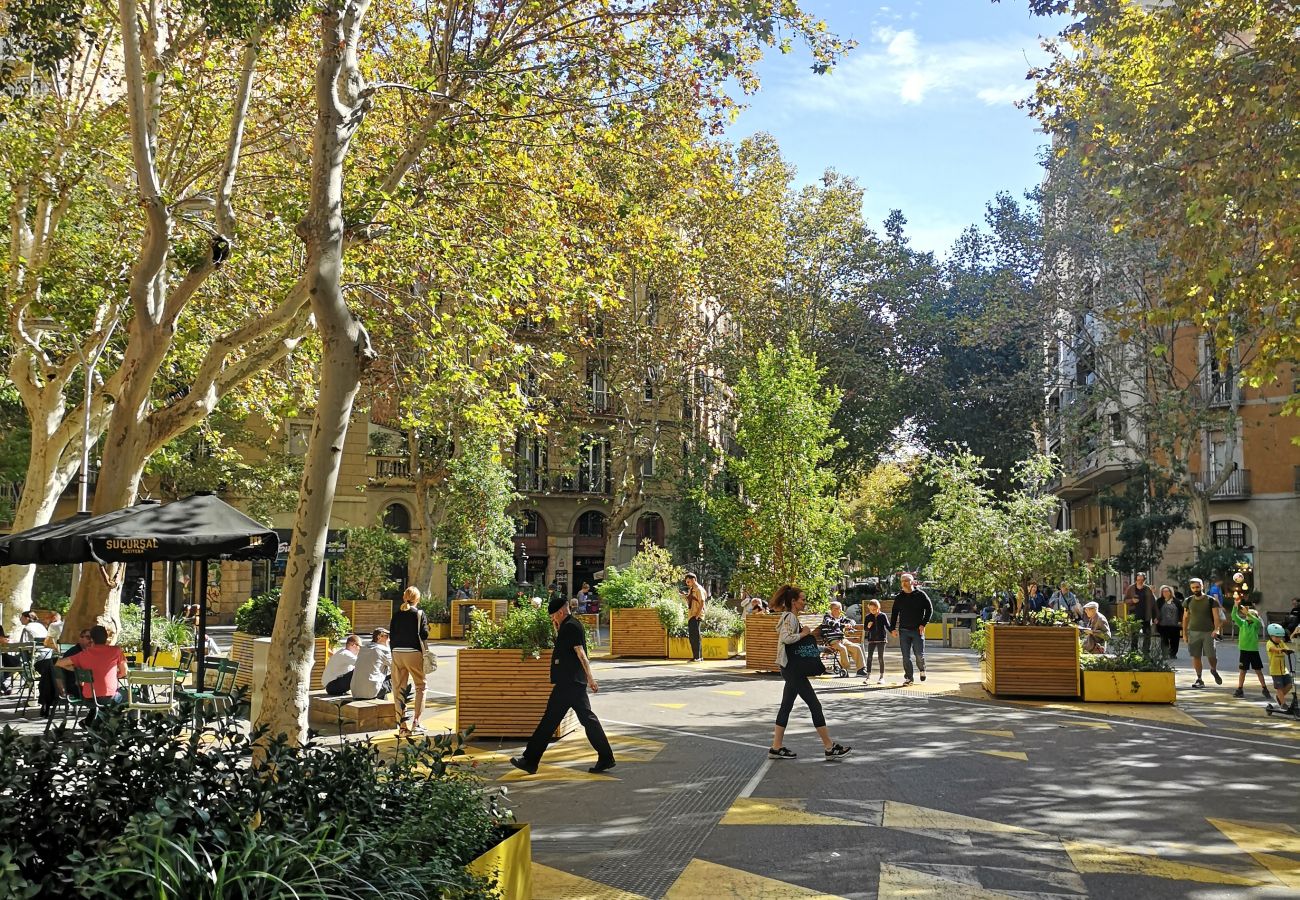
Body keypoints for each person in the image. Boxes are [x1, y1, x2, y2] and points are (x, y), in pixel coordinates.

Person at [511, 595, 615, 775]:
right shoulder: (568, 625)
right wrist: (556, 627)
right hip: (571, 682)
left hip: (570, 683)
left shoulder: (571, 626)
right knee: (585, 719)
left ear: (560, 611)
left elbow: (581, 653)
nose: (552, 618)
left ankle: (530, 760)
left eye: (553, 615)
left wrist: (591, 678)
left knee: (550, 721)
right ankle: (606, 757)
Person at [767, 585, 851, 760]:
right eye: (802, 599)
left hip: (790, 668)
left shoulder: (791, 617)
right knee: (814, 705)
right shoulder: (790, 617)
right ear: (793, 602)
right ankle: (829, 747)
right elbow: (787, 639)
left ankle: (776, 747)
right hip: (793, 669)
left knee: (786, 706)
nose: (804, 602)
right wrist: (805, 633)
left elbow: (799, 647)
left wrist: (820, 648)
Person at [55, 625, 126, 722]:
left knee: (103, 700)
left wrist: (76, 669)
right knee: (130, 697)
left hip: (88, 698)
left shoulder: (83, 654)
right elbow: (124, 672)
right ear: (107, 637)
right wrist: (113, 676)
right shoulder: (116, 651)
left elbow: (59, 663)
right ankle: (119, 727)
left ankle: (94, 722)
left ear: (92, 639)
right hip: (110, 696)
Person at [389, 586, 429, 735]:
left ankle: (403, 727)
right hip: (413, 653)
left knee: (399, 689)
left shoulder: (397, 614)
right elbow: (424, 635)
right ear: (417, 599)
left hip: (397, 653)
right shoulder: (419, 614)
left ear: (404, 597)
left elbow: (392, 635)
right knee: (421, 686)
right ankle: (416, 723)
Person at [888, 573, 933, 686]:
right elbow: (894, 613)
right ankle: (909, 678)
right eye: (902, 581)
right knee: (906, 657)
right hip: (904, 631)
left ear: (912, 582)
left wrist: (923, 624)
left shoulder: (921, 595)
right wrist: (892, 628)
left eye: (907, 580)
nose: (904, 583)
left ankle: (922, 670)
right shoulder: (899, 597)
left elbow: (929, 609)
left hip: (917, 630)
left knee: (919, 655)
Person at [37, 629, 92, 716]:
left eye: (92, 638)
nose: (91, 640)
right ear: (80, 639)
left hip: (77, 686)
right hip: (75, 688)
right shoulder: (76, 653)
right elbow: (57, 664)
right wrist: (76, 669)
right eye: (88, 638)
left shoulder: (83, 651)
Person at [1182, 577, 1222, 687]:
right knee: (1196, 656)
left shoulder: (1211, 600)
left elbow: (1216, 617)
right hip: (1193, 632)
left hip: (1208, 632)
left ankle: (1213, 670)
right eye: (1193, 588)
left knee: (1211, 656)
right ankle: (1199, 678)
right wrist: (1184, 634)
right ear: (1191, 588)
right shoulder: (1188, 601)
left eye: (1197, 587)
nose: (1196, 589)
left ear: (1202, 586)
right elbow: (1185, 618)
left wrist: (1216, 629)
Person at [1229, 596, 1270, 700]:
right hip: (1244, 651)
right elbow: (1234, 616)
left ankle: (1264, 688)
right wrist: (1235, 605)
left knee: (1258, 671)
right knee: (1242, 671)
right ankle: (1240, 688)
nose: (1247, 615)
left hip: (1253, 651)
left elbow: (1257, 621)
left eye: (1251, 614)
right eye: (1247, 614)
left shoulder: (1255, 625)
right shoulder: (1242, 624)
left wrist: (1248, 613)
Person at [820, 600, 866, 677]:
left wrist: (850, 623)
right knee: (843, 649)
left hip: (842, 639)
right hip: (831, 640)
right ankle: (844, 669)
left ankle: (861, 669)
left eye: (840, 608)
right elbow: (833, 624)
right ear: (831, 610)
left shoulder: (841, 617)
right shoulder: (827, 617)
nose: (839, 610)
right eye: (836, 608)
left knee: (856, 647)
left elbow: (851, 621)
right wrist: (843, 625)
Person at [350, 628, 392, 701]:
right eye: (387, 636)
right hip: (371, 692)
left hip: (356, 692)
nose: (389, 639)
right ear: (379, 637)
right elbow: (396, 666)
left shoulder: (363, 648)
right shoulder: (383, 650)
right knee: (397, 674)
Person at [1123, 573, 1158, 655]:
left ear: (1144, 580)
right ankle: (1134, 652)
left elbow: (1153, 603)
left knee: (1147, 634)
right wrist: (1132, 600)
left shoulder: (1147, 589)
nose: (1140, 581)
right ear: (1136, 579)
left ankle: (1145, 651)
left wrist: (1155, 616)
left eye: (1142, 580)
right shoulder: (1131, 588)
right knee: (1135, 634)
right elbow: (1125, 600)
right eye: (1138, 579)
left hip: (1146, 615)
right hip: (1134, 615)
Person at [1264, 624, 1295, 712]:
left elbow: (1286, 648)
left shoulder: (1281, 643)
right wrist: (1281, 650)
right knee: (1279, 688)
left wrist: (1289, 650)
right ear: (1271, 635)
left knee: (1289, 685)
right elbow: (1273, 649)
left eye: (1280, 637)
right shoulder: (1269, 643)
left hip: (1284, 670)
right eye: (1277, 637)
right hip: (1275, 670)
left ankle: (1278, 697)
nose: (1279, 639)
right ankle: (1283, 704)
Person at [861, 598, 889, 683]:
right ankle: (868, 676)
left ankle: (881, 677)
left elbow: (887, 625)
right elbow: (865, 629)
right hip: (871, 640)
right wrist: (868, 627)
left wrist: (893, 631)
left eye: (874, 609)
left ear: (878, 608)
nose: (872, 611)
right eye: (870, 609)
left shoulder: (882, 616)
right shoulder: (868, 617)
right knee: (869, 658)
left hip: (881, 639)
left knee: (881, 658)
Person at [682, 572, 707, 663]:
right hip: (691, 614)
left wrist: (697, 615)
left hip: (696, 615)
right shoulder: (692, 589)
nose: (687, 584)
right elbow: (691, 601)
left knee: (695, 636)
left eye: (688, 582)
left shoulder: (698, 589)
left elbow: (702, 602)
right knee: (693, 636)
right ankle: (696, 656)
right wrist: (684, 596)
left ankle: (698, 657)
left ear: (693, 580)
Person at [1155, 585, 1183, 658]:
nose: (1165, 593)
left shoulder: (1176, 601)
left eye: (1167, 591)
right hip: (1163, 624)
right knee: (1164, 640)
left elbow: (1181, 611)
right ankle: (1165, 653)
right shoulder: (1159, 601)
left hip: (1175, 625)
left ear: (1171, 592)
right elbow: (1156, 611)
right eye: (1163, 591)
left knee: (1175, 640)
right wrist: (1156, 618)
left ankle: (1173, 654)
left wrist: (1180, 620)